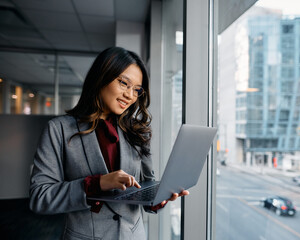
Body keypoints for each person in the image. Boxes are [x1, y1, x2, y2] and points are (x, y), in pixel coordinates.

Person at [29, 46, 189, 240]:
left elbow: (145, 187)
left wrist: (160, 197)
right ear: (101, 77)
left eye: (136, 90)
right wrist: (97, 183)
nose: (130, 95)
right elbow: (40, 197)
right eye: (124, 83)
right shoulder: (59, 130)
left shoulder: (136, 131)